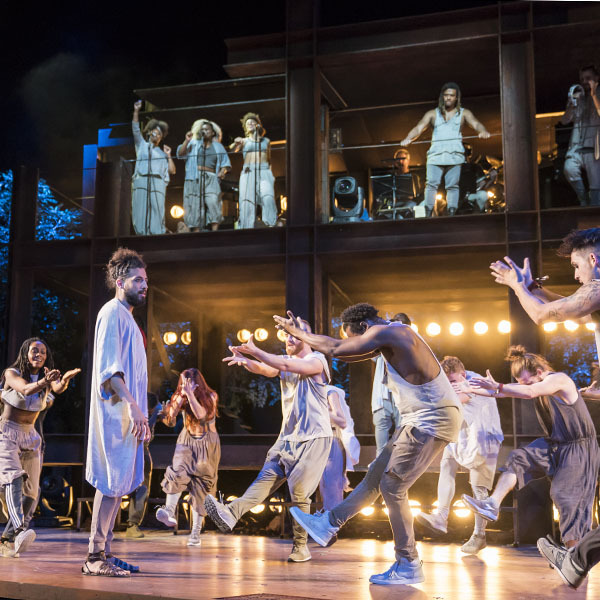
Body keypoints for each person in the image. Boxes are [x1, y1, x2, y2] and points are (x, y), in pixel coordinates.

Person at [274, 303, 462, 586]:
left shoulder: (395, 332)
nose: (357, 343)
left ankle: (408, 563)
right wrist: (309, 339)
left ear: (364, 327)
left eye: (355, 336)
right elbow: (347, 353)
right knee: (376, 475)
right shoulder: (388, 337)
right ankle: (329, 523)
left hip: (432, 420)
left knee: (392, 486)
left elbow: (336, 348)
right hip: (419, 419)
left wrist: (299, 334)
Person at [204, 321, 332, 563]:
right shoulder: (286, 361)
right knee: (264, 479)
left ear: (307, 337)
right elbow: (268, 369)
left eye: (293, 335)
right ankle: (231, 513)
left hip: (314, 438)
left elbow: (283, 365)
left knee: (299, 493)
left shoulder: (317, 360)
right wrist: (247, 362)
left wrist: (255, 351)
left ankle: (301, 547)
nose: (288, 340)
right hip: (287, 438)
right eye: (286, 336)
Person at [461, 347, 599, 553]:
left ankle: (575, 555)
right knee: (519, 458)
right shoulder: (537, 383)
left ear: (540, 372)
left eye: (526, 382)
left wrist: (498, 385)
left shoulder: (559, 379)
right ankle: (492, 505)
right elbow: (500, 392)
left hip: (578, 448)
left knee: (565, 497)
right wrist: (471, 389)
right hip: (555, 444)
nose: (523, 386)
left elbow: (529, 392)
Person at [83, 248, 151, 577]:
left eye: (146, 280)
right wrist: (133, 407)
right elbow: (110, 371)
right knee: (111, 482)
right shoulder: (112, 313)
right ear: (120, 282)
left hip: (127, 411)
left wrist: (141, 412)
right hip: (115, 411)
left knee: (119, 482)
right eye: (138, 280)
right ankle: (94, 556)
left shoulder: (128, 318)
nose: (144, 285)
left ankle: (106, 551)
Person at [0, 338, 80, 558]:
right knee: (14, 478)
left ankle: (6, 539)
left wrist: (64, 380)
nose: (39, 355)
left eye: (43, 352)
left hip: (30, 435)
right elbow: (25, 390)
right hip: (7, 433)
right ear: (25, 353)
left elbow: (57, 388)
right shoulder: (12, 373)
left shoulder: (47, 376)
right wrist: (46, 381)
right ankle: (19, 530)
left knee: (31, 493)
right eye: (35, 351)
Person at [417, 356, 502, 554]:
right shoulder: (453, 383)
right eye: (447, 382)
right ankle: (441, 516)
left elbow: (460, 399)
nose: (451, 385)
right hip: (461, 433)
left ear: (463, 375)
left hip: (485, 438)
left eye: (453, 381)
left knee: (479, 489)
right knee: (446, 465)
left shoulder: (476, 382)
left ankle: (479, 536)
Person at [401, 82, 490, 217]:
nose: (448, 98)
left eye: (452, 95)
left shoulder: (464, 113)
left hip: (454, 155)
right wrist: (408, 138)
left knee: (452, 186)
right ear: (442, 96)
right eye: (446, 95)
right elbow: (419, 128)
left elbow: (476, 123)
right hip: (436, 155)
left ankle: (452, 212)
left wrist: (482, 131)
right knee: (431, 185)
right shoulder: (432, 114)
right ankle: (428, 211)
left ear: (456, 98)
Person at [155, 369, 220, 547]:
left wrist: (190, 395)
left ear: (196, 383)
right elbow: (170, 421)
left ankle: (195, 533)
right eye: (182, 382)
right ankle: (169, 511)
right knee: (177, 473)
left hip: (207, 444)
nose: (183, 385)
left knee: (202, 487)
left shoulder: (211, 396)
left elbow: (202, 415)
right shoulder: (180, 396)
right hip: (186, 441)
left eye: (187, 382)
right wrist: (169, 411)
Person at [177, 119, 231, 232]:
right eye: (202, 129)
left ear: (213, 132)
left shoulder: (218, 146)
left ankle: (215, 231)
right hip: (195, 177)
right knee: (195, 204)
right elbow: (180, 154)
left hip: (211, 177)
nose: (204, 131)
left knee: (213, 202)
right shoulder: (194, 143)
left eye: (207, 129)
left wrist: (222, 171)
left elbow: (226, 164)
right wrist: (186, 140)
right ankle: (196, 232)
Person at [131, 100, 176, 235]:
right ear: (150, 132)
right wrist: (136, 111)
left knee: (157, 208)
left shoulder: (162, 154)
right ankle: (141, 233)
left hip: (157, 182)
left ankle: (156, 233)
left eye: (160, 134)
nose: (157, 136)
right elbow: (135, 129)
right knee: (140, 208)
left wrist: (169, 155)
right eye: (155, 133)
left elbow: (172, 170)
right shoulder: (142, 145)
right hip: (142, 179)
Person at [125, 392, 163, 538]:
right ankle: (128, 524)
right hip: (131, 449)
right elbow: (145, 431)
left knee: (142, 487)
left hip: (141, 450)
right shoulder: (135, 413)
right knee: (139, 487)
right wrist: (155, 414)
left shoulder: (149, 412)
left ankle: (132, 524)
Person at [561, 65, 600, 206]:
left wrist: (594, 95)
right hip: (577, 146)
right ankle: (583, 198)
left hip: (594, 147)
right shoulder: (579, 96)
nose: (584, 82)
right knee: (569, 168)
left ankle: (594, 209)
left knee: (596, 185)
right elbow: (565, 120)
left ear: (596, 78)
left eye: (588, 78)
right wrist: (572, 105)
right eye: (582, 79)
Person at [371, 313, 410, 457]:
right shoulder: (382, 346)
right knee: (381, 443)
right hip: (382, 397)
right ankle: (380, 469)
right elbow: (370, 349)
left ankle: (398, 466)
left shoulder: (409, 346)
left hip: (401, 396)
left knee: (402, 438)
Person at [230, 113, 277, 229]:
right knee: (247, 201)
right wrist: (235, 143)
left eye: (252, 122)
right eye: (247, 123)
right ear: (246, 128)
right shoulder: (244, 141)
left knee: (268, 196)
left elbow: (269, 159)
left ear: (257, 124)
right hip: (248, 171)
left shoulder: (266, 141)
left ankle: (271, 224)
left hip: (264, 170)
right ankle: (247, 227)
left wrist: (271, 175)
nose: (250, 123)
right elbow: (233, 150)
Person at [318, 385, 360, 512]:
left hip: (332, 439)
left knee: (332, 486)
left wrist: (317, 411)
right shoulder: (310, 392)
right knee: (325, 486)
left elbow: (341, 420)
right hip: (319, 439)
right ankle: (328, 517)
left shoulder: (330, 392)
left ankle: (332, 519)